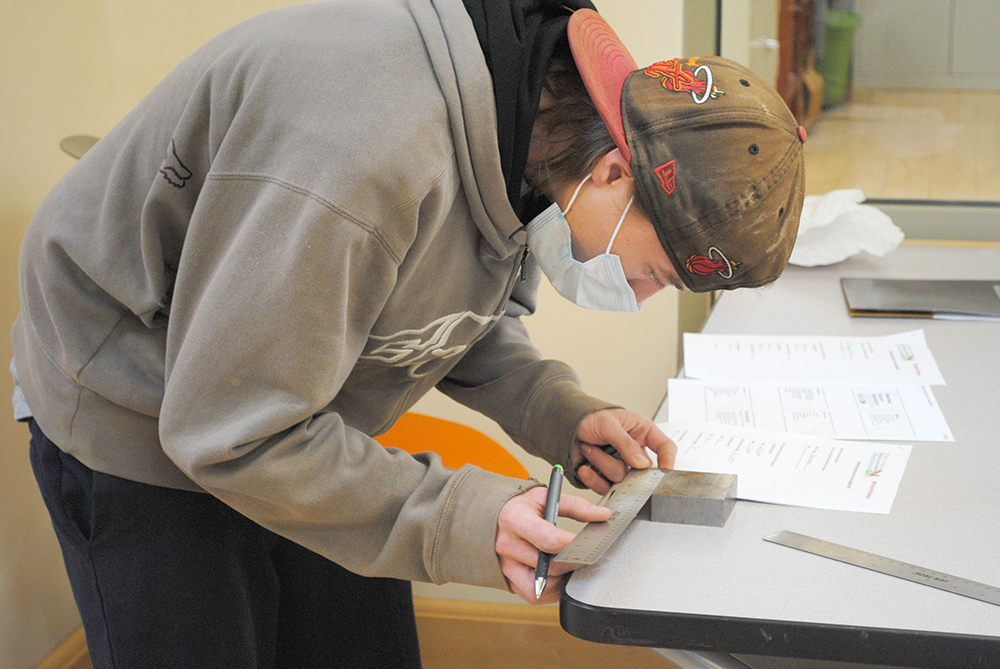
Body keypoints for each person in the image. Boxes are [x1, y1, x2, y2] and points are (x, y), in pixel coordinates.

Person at [11, 0, 805, 666]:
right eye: (654, 272)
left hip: (293, 412)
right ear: (613, 175)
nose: (635, 293)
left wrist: (556, 407)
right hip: (138, 407)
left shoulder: (539, 119)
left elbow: (435, 308)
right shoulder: (355, 160)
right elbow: (227, 429)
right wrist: (471, 517)